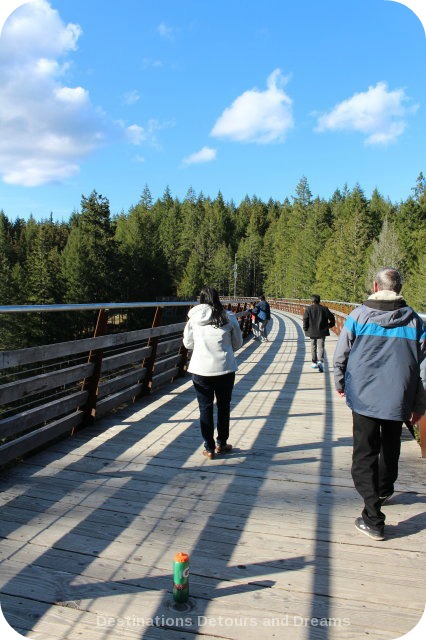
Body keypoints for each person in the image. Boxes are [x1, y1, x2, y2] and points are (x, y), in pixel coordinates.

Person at [333, 267, 426, 541]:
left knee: (364, 454)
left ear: (376, 286)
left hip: (364, 397)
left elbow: (341, 355)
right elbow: (422, 370)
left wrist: (340, 383)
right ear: (398, 288)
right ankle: (384, 490)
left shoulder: (358, 316)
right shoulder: (415, 321)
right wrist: (419, 405)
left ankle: (373, 517)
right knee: (390, 447)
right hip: (398, 396)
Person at [183, 286, 243, 460]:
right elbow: (237, 343)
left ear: (201, 300)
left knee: (205, 408)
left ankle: (208, 448)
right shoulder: (228, 317)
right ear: (217, 298)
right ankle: (221, 444)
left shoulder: (193, 319)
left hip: (201, 370)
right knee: (224, 406)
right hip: (225, 368)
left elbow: (188, 344)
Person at [302, 294, 335, 372]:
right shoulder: (324, 309)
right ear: (319, 301)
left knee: (313, 346)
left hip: (312, 331)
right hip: (322, 331)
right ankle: (320, 361)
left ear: (311, 301)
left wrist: (305, 329)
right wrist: (330, 325)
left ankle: (314, 362)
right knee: (321, 346)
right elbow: (332, 318)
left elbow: (305, 320)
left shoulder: (308, 309)